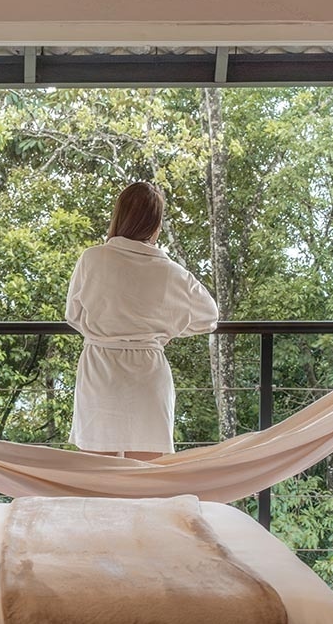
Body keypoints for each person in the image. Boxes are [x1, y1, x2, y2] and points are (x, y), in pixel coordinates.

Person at [65, 182, 219, 460]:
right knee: (147, 475)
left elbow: (73, 314)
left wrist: (106, 332)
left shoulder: (92, 259)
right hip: (148, 373)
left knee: (95, 473)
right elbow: (209, 317)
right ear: (156, 225)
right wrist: (165, 331)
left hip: (99, 370)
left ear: (119, 216)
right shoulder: (170, 271)